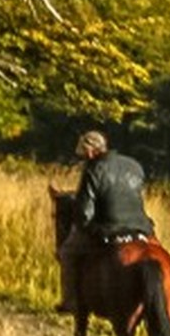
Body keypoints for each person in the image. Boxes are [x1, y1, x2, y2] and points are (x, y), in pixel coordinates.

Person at [58, 129, 156, 312]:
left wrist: (85, 224)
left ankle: (70, 301)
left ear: (90, 151)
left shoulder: (93, 169)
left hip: (109, 229)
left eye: (83, 154)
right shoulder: (134, 165)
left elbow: (85, 214)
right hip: (142, 227)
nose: (83, 159)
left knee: (67, 252)